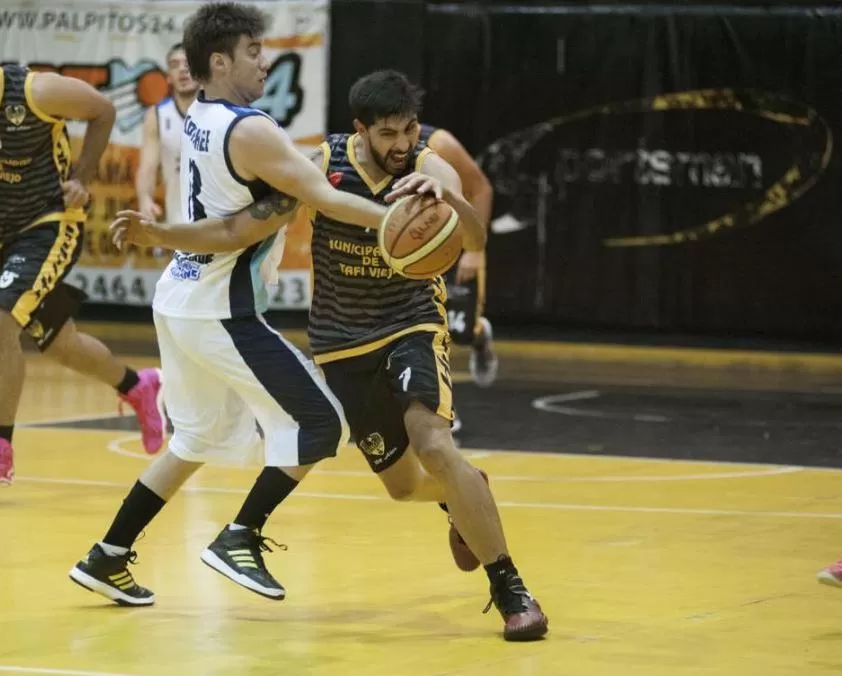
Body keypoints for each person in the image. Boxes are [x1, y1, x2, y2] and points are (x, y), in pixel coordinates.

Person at [108, 66, 548, 643]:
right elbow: (239, 227)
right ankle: (468, 495)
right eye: (388, 134)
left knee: (434, 442)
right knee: (405, 486)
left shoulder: (426, 164)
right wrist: (159, 234)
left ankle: (510, 587)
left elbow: (475, 238)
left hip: (410, 324)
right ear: (360, 130)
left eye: (409, 130)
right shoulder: (320, 165)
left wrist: (451, 205)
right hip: (342, 341)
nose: (401, 144)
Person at [68, 2, 395, 606]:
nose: (264, 62)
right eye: (252, 52)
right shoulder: (249, 130)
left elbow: (253, 210)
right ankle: (240, 536)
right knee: (321, 423)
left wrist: (164, 235)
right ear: (219, 61)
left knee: (193, 439)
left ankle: (107, 555)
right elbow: (312, 198)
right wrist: (394, 219)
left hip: (181, 298)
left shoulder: (200, 114)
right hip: (220, 309)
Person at [0, 20, 164, 493]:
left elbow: (103, 110)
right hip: (3, 236)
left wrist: (83, 176)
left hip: (52, 223)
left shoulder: (35, 91)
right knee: (60, 343)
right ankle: (138, 386)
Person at [417, 124, 499, 434]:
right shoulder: (368, 151)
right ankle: (443, 410)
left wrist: (474, 249)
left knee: (457, 331)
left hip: (455, 243)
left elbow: (481, 189)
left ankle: (478, 335)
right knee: (427, 328)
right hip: (415, 246)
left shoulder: (439, 143)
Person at [135, 43, 198, 225]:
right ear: (168, 77)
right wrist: (145, 199)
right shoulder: (157, 115)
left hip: (219, 224)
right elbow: (147, 167)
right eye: (175, 65)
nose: (182, 70)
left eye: (188, 64)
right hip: (179, 222)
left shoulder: (220, 111)